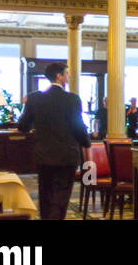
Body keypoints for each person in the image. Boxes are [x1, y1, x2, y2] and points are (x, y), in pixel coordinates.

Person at [17, 62, 91, 220]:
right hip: (67, 156)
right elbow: (78, 126)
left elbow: (22, 126)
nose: (68, 76)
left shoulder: (34, 98)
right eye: (66, 73)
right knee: (61, 196)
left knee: (45, 195)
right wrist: (86, 142)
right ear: (59, 76)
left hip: (43, 155)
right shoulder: (72, 99)